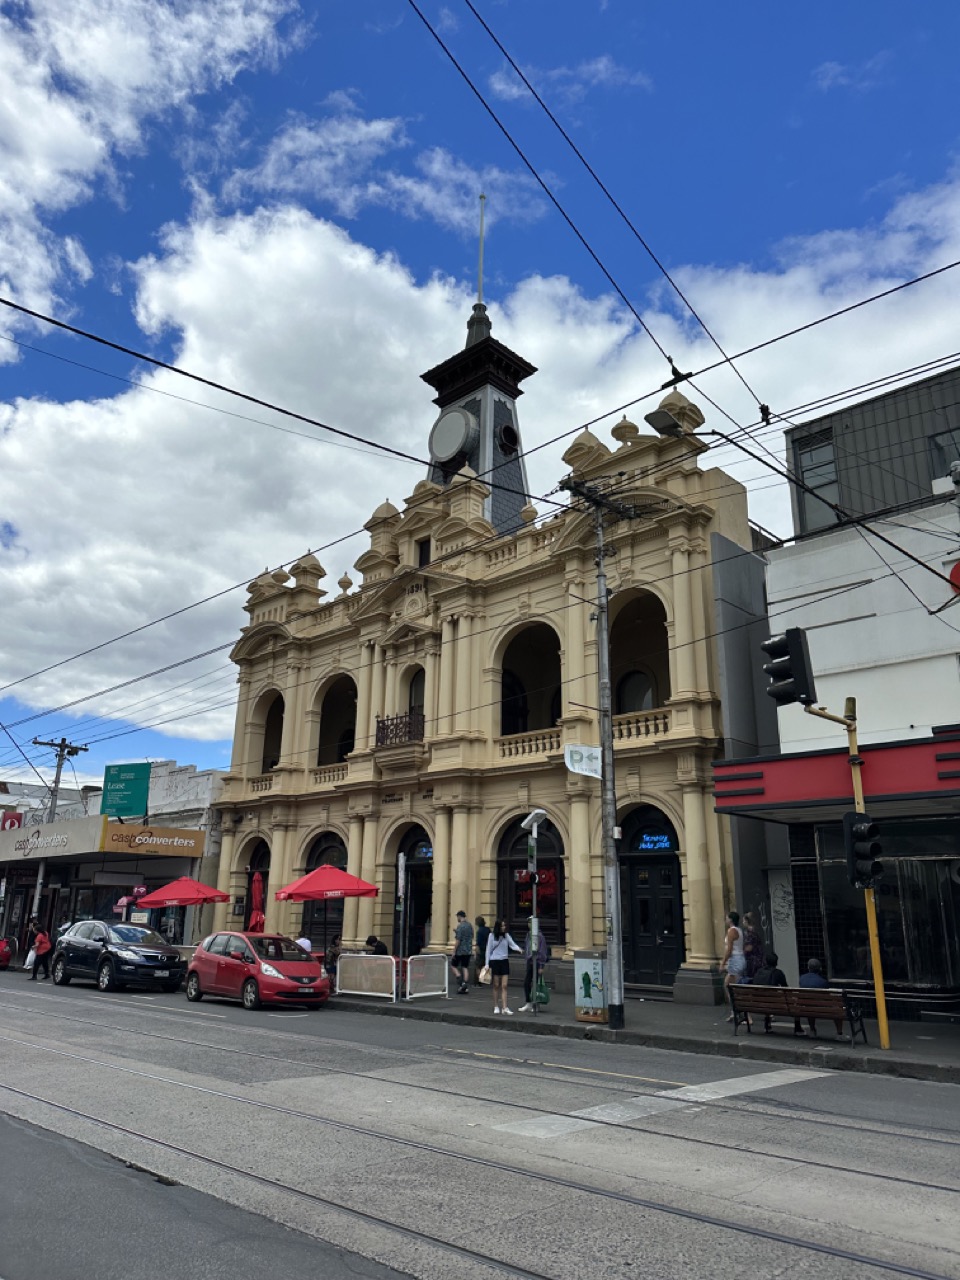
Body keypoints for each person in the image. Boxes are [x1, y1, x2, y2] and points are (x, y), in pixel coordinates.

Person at [798, 957, 844, 1038]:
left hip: (806, 1007)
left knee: (810, 1005)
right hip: (822, 1008)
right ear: (820, 969)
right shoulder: (822, 982)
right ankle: (839, 1033)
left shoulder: (802, 978)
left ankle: (812, 1030)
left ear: (808, 968)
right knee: (837, 1007)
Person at [485, 918, 521, 1015]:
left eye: (504, 925)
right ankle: (496, 1006)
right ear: (498, 927)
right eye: (502, 926)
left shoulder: (506, 936)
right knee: (496, 985)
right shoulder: (491, 936)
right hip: (495, 961)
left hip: (504, 961)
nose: (504, 927)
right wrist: (487, 964)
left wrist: (519, 949)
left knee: (504, 985)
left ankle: (505, 1007)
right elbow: (488, 950)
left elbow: (512, 944)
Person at [752, 951, 789, 1033]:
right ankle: (798, 1028)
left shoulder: (759, 972)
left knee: (766, 996)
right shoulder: (778, 973)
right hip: (773, 1002)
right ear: (776, 962)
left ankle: (767, 1024)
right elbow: (785, 988)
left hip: (756, 1002)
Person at [719, 911, 745, 1018]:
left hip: (734, 960)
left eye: (727, 918)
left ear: (730, 920)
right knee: (733, 986)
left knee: (729, 986)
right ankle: (736, 1011)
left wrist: (723, 963)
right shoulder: (739, 930)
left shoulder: (731, 931)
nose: (725, 919)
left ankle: (738, 1011)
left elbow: (729, 950)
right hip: (739, 959)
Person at [518, 927, 549, 1013]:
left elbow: (543, 951)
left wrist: (541, 966)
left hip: (537, 962)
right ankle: (528, 1002)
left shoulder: (540, 936)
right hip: (530, 961)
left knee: (536, 985)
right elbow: (527, 947)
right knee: (526, 983)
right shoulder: (528, 935)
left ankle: (536, 1004)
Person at [451, 910, 473, 995]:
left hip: (460, 951)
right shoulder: (469, 925)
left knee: (453, 966)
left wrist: (454, 951)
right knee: (465, 967)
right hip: (468, 950)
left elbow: (458, 940)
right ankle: (465, 984)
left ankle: (461, 982)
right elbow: (469, 937)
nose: (457, 918)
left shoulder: (460, 926)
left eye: (457, 916)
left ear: (460, 916)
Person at [741, 911, 764, 981]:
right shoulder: (756, 931)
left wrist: (741, 952)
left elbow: (749, 947)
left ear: (747, 921)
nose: (743, 922)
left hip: (752, 961)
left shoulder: (749, 933)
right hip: (758, 959)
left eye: (743, 921)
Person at [473, 916, 491, 986]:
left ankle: (479, 982)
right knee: (485, 965)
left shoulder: (479, 931)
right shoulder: (488, 930)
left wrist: (476, 952)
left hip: (481, 950)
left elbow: (478, 943)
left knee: (478, 966)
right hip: (487, 950)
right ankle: (485, 980)